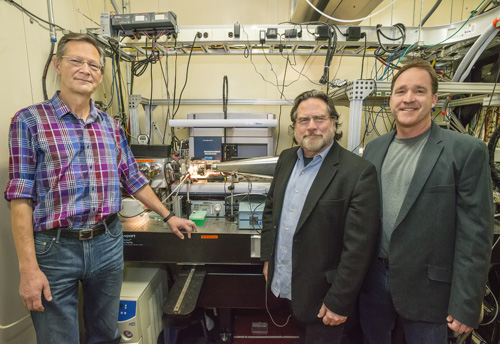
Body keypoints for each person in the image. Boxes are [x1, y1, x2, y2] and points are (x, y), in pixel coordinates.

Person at [4, 33, 197, 344]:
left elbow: (133, 178)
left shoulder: (109, 125)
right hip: (55, 248)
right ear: (58, 65)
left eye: (93, 65)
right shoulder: (29, 121)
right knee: (57, 339)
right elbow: (20, 198)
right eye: (76, 61)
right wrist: (28, 270)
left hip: (107, 241)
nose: (85, 69)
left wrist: (166, 215)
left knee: (105, 335)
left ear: (101, 75)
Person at [359, 59, 494, 343]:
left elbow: (476, 235)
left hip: (430, 291)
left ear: (434, 100)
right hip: (374, 282)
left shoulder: (466, 151)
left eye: (419, 91)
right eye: (401, 91)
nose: (408, 99)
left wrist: (466, 303)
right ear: (390, 98)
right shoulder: (374, 149)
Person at [261, 90, 380, 344]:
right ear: (295, 127)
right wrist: (268, 258)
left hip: (326, 296)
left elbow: (359, 248)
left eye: (320, 119)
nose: (311, 127)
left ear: (334, 123)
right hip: (290, 282)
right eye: (304, 120)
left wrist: (339, 301)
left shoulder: (358, 172)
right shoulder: (286, 159)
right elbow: (271, 211)